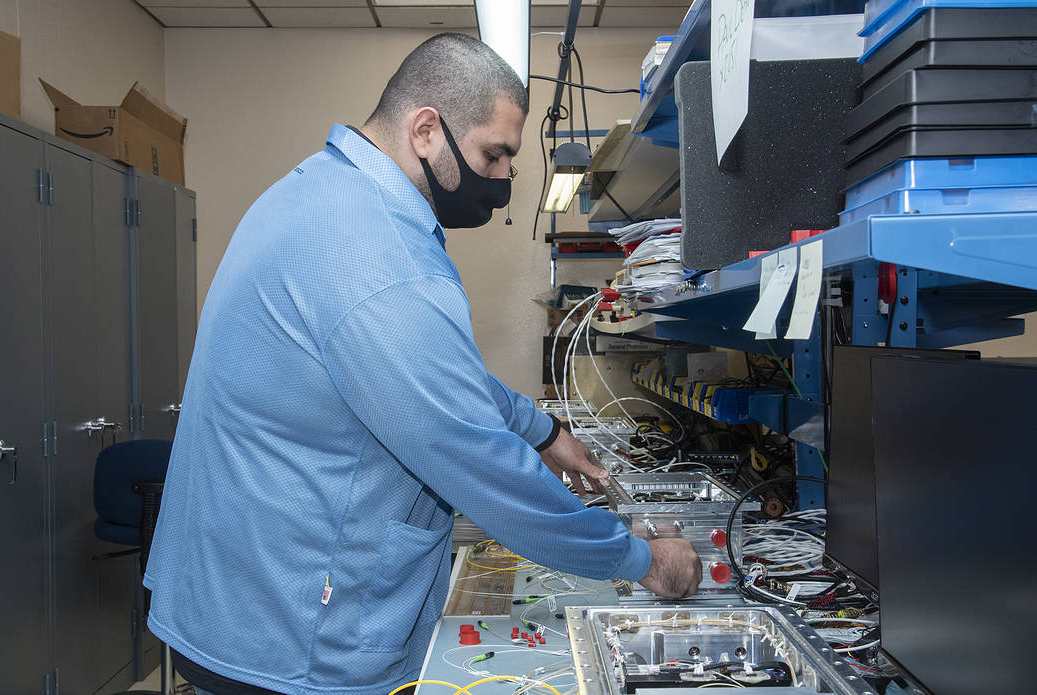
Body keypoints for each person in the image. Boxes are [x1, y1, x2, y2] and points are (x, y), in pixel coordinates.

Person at [143, 33, 701, 695]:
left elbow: (426, 372)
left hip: (233, 592)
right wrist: (641, 559)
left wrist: (541, 430)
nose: (500, 178)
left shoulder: (318, 194)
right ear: (426, 130)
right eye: (493, 153)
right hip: (290, 629)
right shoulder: (380, 256)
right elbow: (473, 456)